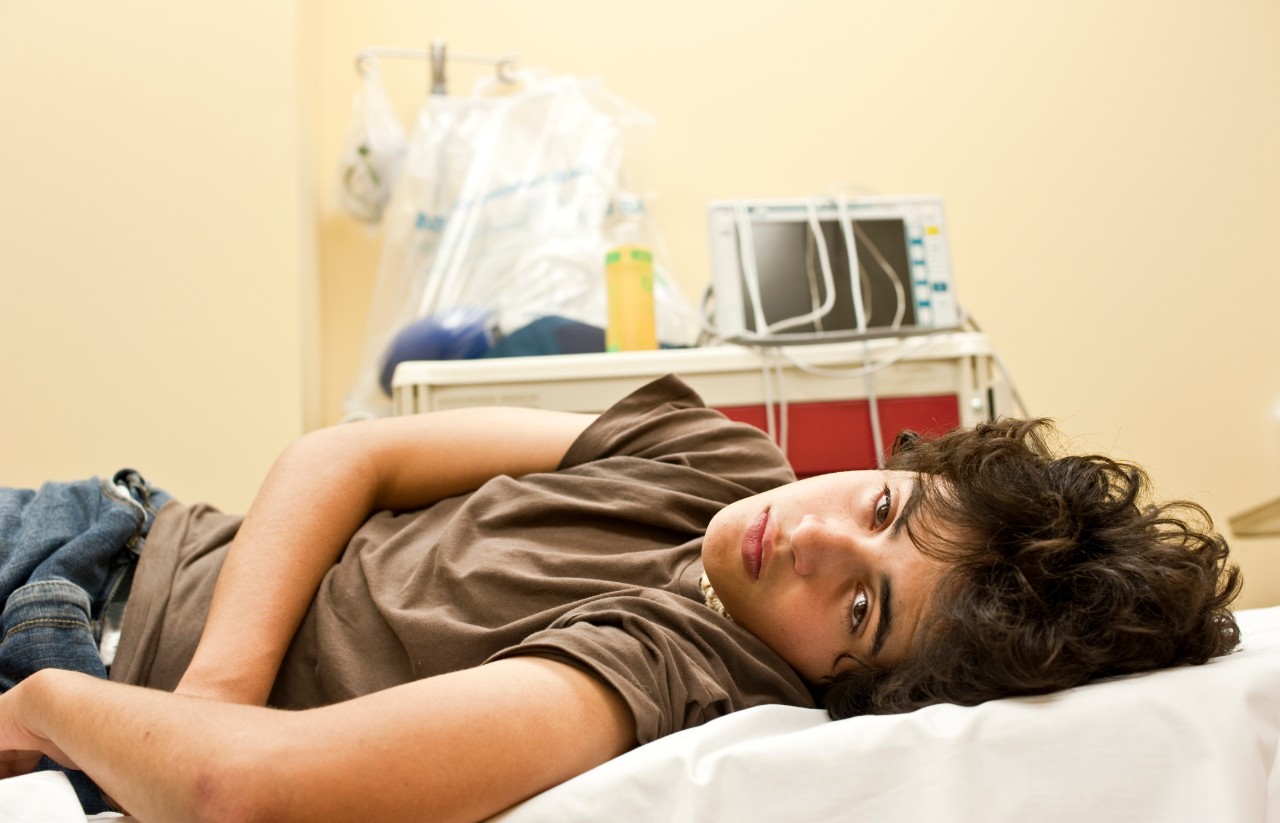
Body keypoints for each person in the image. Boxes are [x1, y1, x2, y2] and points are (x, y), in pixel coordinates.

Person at [0, 376, 1241, 822]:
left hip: (70, 653)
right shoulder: (719, 458)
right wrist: (217, 689)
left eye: (858, 608)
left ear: (863, 690)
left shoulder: (671, 675)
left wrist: (59, 698)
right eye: (877, 510)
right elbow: (346, 452)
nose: (804, 539)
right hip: (106, 528)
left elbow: (236, 790)